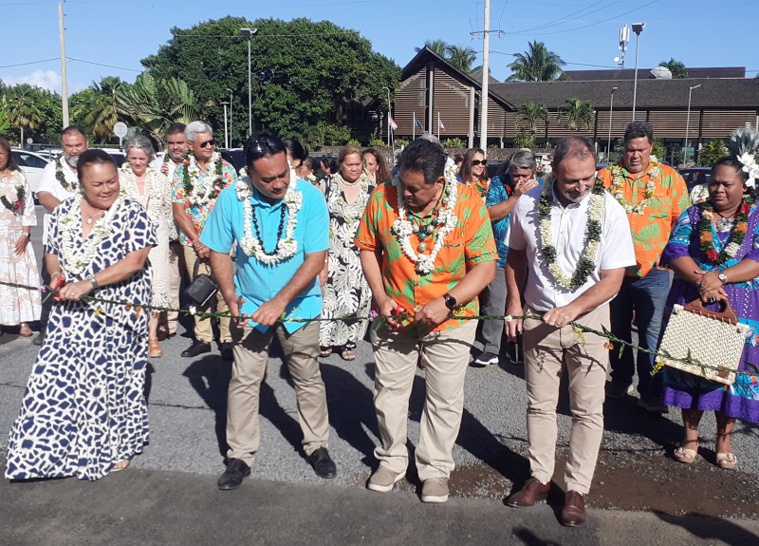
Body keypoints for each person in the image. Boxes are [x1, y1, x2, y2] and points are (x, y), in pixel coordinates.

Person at [355, 138, 496, 503]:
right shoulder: (381, 197)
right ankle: (391, 459)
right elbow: (367, 247)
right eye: (402, 183)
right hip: (394, 316)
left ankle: (434, 469)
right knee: (389, 393)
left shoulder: (468, 203)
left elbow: (485, 265)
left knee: (444, 398)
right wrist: (380, 296)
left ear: (438, 182)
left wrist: (447, 301)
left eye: (414, 188)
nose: (406, 191)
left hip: (451, 319)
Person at [504, 136, 635, 526]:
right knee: (539, 405)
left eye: (588, 179)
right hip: (538, 317)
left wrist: (573, 309)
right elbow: (514, 257)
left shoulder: (609, 209)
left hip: (590, 321)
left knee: (587, 410)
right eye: (571, 181)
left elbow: (613, 280)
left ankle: (576, 489)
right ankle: (540, 477)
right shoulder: (527, 204)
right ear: (553, 174)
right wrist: (514, 303)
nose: (581, 187)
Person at [5, 149, 155, 481]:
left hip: (117, 313)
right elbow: (52, 254)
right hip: (68, 311)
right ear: (80, 183)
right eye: (98, 183)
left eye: (112, 181)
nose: (107, 189)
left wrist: (89, 283)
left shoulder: (133, 213)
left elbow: (135, 262)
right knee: (55, 378)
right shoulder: (63, 212)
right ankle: (49, 449)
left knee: (109, 382)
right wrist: (57, 277)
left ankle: (115, 445)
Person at [201, 131, 336, 490]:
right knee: (243, 380)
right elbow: (217, 249)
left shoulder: (309, 196)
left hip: (299, 306)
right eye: (268, 178)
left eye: (283, 174)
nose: (278, 183)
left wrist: (280, 302)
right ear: (248, 174)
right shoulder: (232, 198)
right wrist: (229, 294)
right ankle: (240, 455)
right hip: (250, 306)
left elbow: (315, 258)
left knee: (306, 376)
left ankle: (317, 445)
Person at [660, 132, 759, 470]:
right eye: (714, 182)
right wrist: (703, 279)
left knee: (731, 372)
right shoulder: (693, 214)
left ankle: (723, 440)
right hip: (695, 301)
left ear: (743, 186)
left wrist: (722, 277)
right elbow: (675, 250)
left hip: (741, 309)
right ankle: (689, 436)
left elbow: (757, 258)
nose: (718, 189)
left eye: (726, 184)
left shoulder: (756, 218)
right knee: (695, 368)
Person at [598, 121, 690, 411]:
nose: (635, 156)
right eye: (630, 150)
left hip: (655, 272)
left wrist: (673, 259)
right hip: (613, 271)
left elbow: (683, 222)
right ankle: (620, 377)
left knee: (652, 332)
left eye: (641, 150)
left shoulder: (669, 179)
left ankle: (651, 391)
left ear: (652, 148)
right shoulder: (606, 177)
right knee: (616, 329)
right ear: (622, 149)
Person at [172, 121, 237, 360]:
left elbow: (234, 209)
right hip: (193, 242)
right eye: (204, 143)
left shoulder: (227, 169)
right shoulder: (181, 172)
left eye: (212, 142)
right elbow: (179, 211)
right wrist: (198, 241)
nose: (210, 146)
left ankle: (227, 337)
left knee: (224, 288)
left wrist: (217, 241)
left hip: (223, 242)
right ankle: (203, 337)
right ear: (190, 145)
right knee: (200, 289)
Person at [473, 151, 539, 366]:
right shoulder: (499, 184)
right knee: (496, 301)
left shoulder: (544, 187)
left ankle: (518, 346)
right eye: (515, 175)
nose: (519, 180)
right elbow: (490, 214)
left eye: (525, 176)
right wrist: (516, 196)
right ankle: (491, 347)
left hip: (532, 257)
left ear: (534, 173)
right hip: (501, 253)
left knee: (526, 303)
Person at [33, 126, 89, 346]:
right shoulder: (52, 168)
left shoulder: (94, 166)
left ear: (86, 144)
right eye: (69, 146)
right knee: (52, 283)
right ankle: (46, 328)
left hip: (88, 240)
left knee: (84, 283)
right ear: (62, 146)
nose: (74, 150)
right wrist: (69, 215)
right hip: (56, 241)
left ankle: (82, 328)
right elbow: (43, 195)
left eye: (78, 145)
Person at [121, 135, 175, 358]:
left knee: (157, 284)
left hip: (157, 236)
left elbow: (167, 208)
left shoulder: (160, 178)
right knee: (131, 284)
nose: (137, 162)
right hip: (128, 237)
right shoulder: (119, 178)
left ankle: (152, 336)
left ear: (149, 157)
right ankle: (133, 334)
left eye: (141, 158)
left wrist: (167, 232)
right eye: (133, 158)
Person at [319, 146, 375, 361]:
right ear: (340, 164)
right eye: (349, 164)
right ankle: (324, 340)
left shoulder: (371, 187)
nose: (354, 168)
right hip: (333, 250)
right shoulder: (326, 184)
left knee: (355, 299)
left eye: (358, 164)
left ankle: (347, 342)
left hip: (360, 252)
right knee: (330, 299)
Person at [151, 123, 189, 340]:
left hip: (196, 235)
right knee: (171, 281)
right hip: (170, 235)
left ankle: (204, 327)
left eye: (180, 143)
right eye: (172, 143)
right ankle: (169, 325)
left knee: (200, 282)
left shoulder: (196, 165)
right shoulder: (156, 166)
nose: (176, 148)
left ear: (188, 144)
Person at [0, 137, 41, 336]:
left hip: (17, 236)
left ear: (8, 155)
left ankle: (23, 321)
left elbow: (28, 207)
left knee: (20, 278)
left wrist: (26, 234)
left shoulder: (18, 176)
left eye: (1, 153)